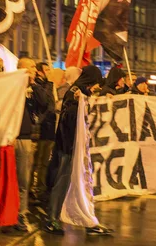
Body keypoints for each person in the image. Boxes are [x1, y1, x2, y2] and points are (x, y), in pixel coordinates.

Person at [45, 65, 112, 236]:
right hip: (68, 148)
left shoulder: (80, 94)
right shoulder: (75, 96)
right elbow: (69, 123)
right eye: (96, 82)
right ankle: (52, 219)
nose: (97, 86)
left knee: (68, 182)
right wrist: (72, 147)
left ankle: (61, 215)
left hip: (72, 147)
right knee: (62, 182)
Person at [10, 57, 51, 233]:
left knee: (23, 179)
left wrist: (33, 84)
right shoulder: (11, 84)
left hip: (26, 137)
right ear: (21, 69)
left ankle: (21, 213)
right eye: (32, 67)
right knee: (7, 179)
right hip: (10, 137)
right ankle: (2, 215)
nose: (35, 69)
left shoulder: (34, 88)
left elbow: (44, 102)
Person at [31, 62, 56, 202]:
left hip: (49, 127)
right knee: (38, 161)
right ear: (40, 72)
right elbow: (44, 101)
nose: (49, 72)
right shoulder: (38, 85)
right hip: (42, 127)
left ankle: (41, 188)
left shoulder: (46, 84)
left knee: (44, 161)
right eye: (47, 69)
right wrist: (50, 83)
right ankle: (34, 190)